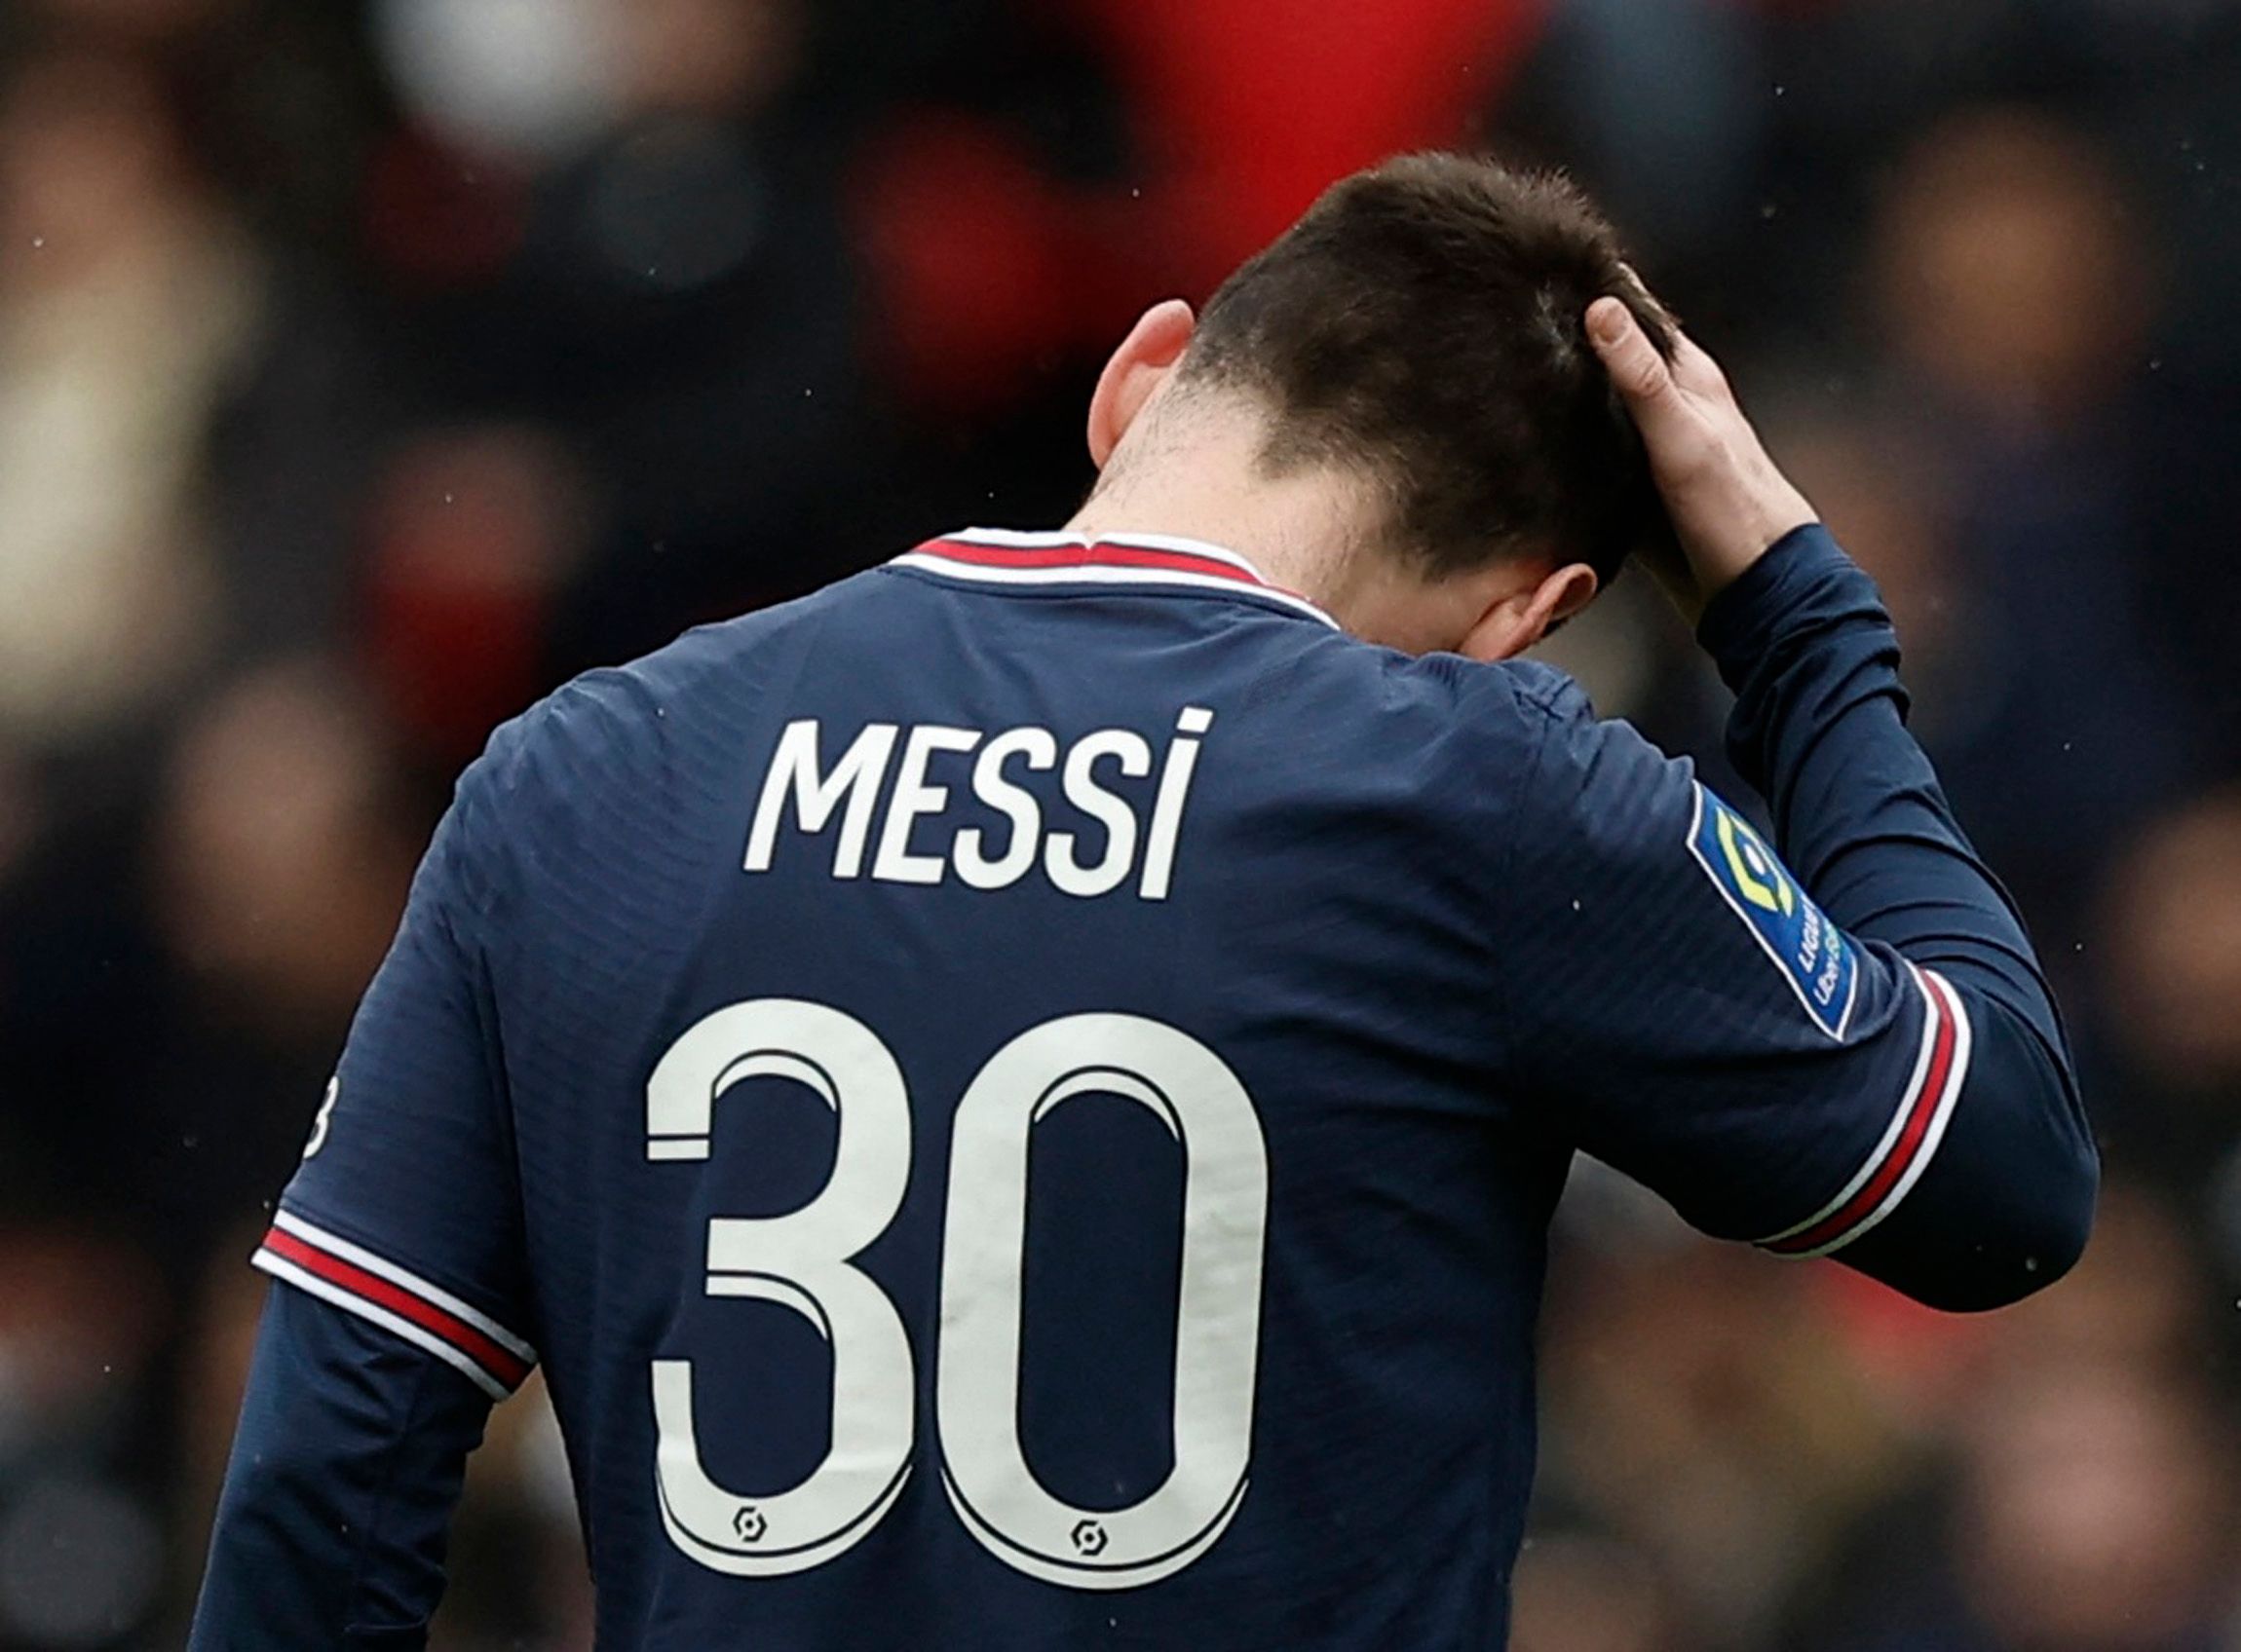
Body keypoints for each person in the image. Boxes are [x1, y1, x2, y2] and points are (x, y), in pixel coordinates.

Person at [190, 153, 2096, 1649]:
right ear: (1531, 611)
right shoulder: (1486, 781)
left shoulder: (593, 766)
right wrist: (1797, 619)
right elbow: (2005, 1185)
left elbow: (334, 1458)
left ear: (1142, 372)